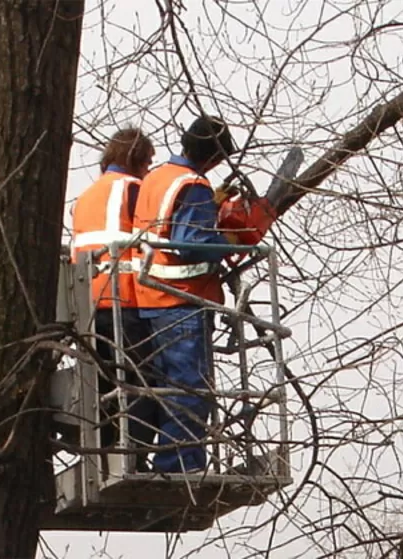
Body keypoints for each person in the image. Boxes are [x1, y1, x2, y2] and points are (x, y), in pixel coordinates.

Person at [132, 115, 243, 474]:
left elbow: (165, 227)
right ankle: (180, 464)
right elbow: (191, 245)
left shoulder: (158, 177)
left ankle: (171, 460)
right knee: (191, 387)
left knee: (166, 387)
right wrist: (229, 240)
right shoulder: (193, 185)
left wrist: (212, 204)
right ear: (214, 155)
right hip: (182, 299)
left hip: (152, 299)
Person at [72, 127, 158, 473]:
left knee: (105, 388)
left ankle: (107, 462)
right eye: (148, 162)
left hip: (90, 304)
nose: (149, 170)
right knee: (142, 383)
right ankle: (133, 460)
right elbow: (163, 232)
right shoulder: (134, 190)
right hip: (127, 299)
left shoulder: (85, 198)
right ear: (135, 159)